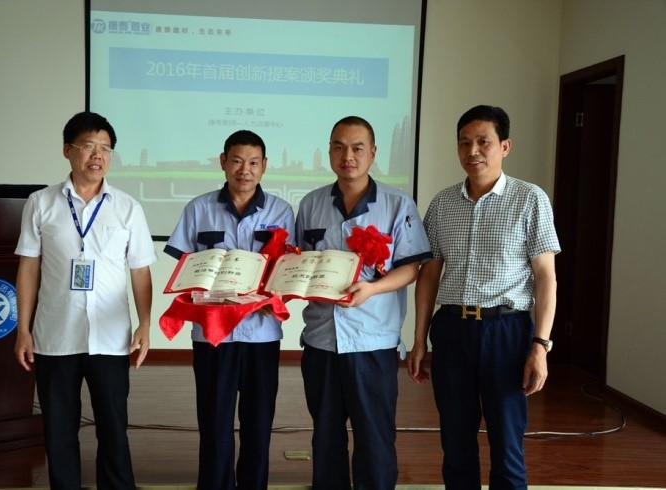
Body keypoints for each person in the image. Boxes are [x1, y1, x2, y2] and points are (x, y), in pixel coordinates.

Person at [408, 105, 561, 489]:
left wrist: (540, 345)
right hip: (452, 330)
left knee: (507, 442)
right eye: (464, 142)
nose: (472, 151)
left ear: (505, 146)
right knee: (455, 442)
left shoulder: (530, 199)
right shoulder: (442, 203)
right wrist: (419, 340)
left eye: (483, 142)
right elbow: (429, 274)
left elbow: (546, 277)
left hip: (506, 331)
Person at [14, 111, 156, 489]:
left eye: (106, 149)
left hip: (110, 338)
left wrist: (144, 324)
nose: (98, 156)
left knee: (113, 428)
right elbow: (28, 269)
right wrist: (23, 329)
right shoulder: (40, 203)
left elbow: (140, 271)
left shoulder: (127, 207)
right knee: (58, 429)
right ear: (68, 150)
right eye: (89, 146)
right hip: (55, 336)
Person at [295, 116, 431, 489]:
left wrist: (371, 289)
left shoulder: (397, 204)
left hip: (372, 343)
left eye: (357, 148)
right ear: (329, 152)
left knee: (375, 439)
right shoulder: (311, 204)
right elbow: (298, 264)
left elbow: (411, 269)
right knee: (325, 438)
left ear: (372, 153)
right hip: (321, 341)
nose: (348, 156)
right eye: (339, 147)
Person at [164, 130, 295, 490]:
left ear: (264, 166)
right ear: (223, 162)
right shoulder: (198, 209)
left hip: (261, 333)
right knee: (214, 422)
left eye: (253, 162)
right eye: (237, 161)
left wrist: (276, 298)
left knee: (258, 423)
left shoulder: (281, 211)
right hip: (213, 334)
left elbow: (289, 270)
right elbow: (183, 269)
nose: (244, 170)